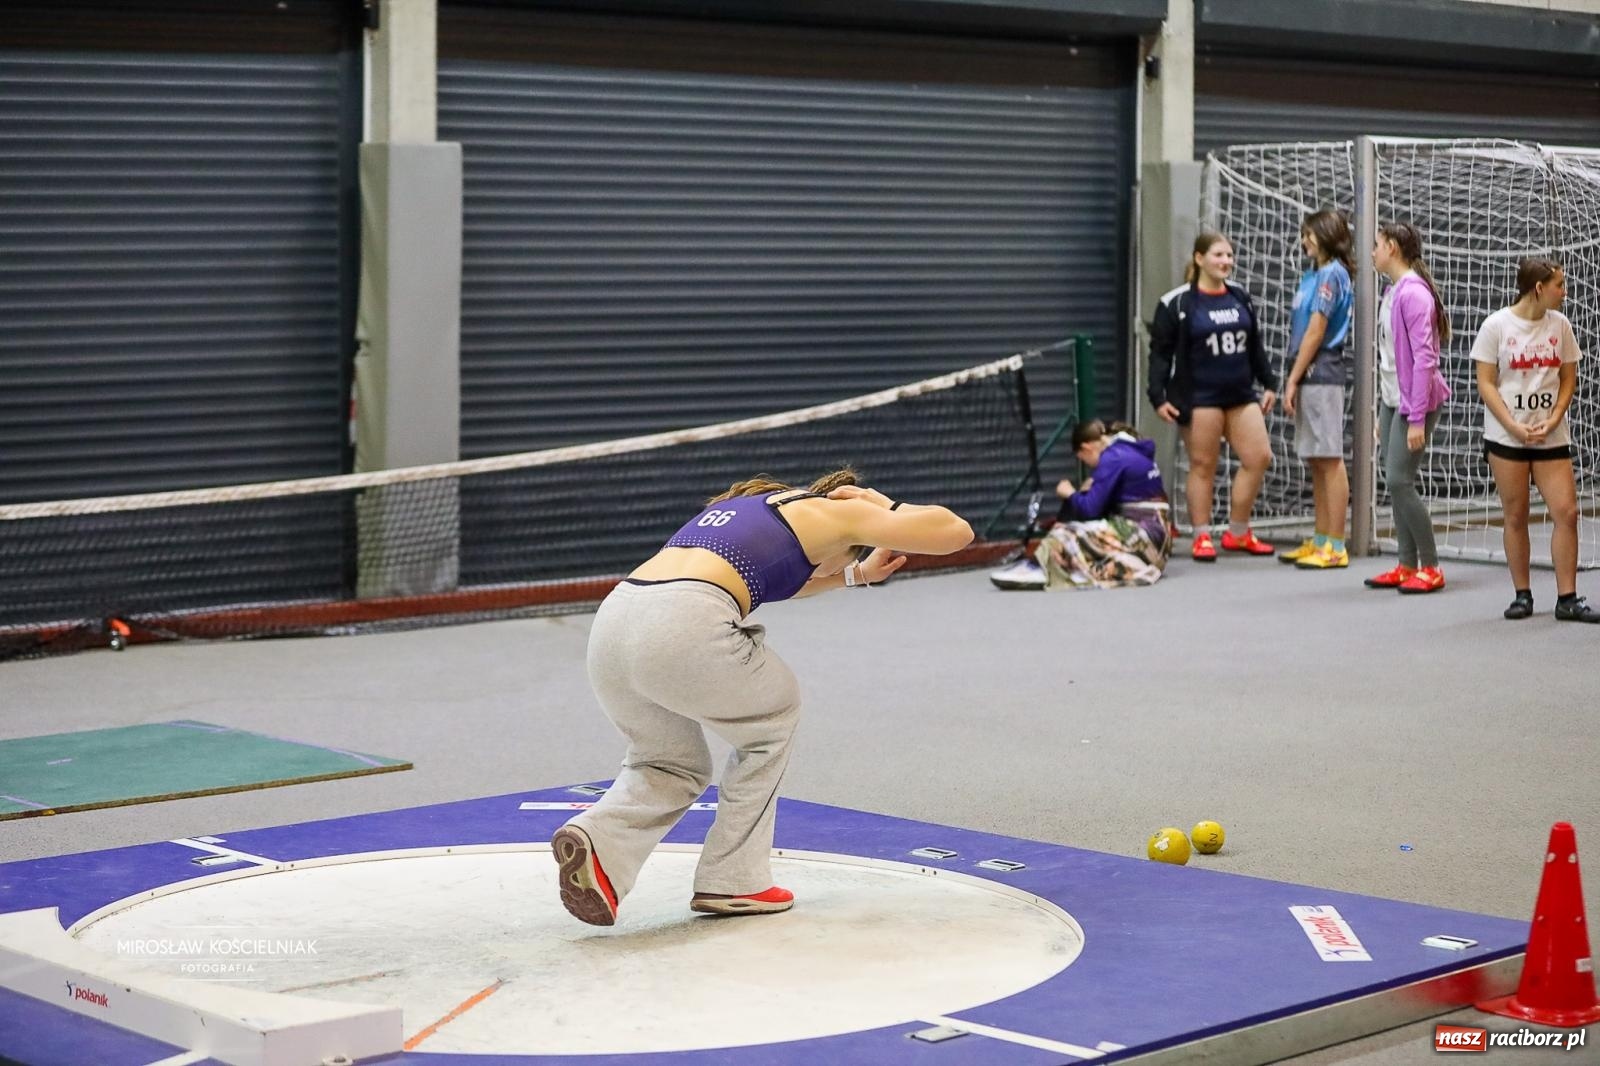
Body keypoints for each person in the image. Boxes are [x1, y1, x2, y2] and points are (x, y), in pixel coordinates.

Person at [552, 470, 974, 925]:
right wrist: (881, 507)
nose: (824, 572)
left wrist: (854, 575)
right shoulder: (840, 513)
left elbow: (781, 580)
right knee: (774, 718)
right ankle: (734, 880)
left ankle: (598, 840)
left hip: (614, 624)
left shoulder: (750, 509)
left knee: (667, 761)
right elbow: (955, 532)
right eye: (834, 564)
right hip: (682, 621)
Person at [1470, 257, 1599, 622]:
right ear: (1538, 288)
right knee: (1516, 514)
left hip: (1550, 436)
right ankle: (1522, 594)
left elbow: (1568, 377)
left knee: (1567, 512)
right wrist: (1511, 424)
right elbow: (1486, 382)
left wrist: (1555, 417)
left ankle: (1568, 597)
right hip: (1507, 437)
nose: (1565, 292)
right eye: (1559, 285)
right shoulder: (1496, 326)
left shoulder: (1561, 326)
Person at [1148, 231, 1278, 562]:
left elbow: (1255, 345)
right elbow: (1160, 354)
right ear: (1199, 258)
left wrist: (1269, 382)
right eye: (1219, 255)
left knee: (1258, 456)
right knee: (1203, 465)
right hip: (1199, 396)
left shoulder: (1239, 296)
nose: (1226, 262)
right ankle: (1202, 534)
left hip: (1239, 393)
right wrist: (1158, 396)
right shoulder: (1176, 302)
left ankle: (1238, 531)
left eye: (1230, 256)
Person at [1366, 221, 1451, 594]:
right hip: (1393, 400)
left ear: (1393, 249)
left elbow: (1424, 361)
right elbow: (1389, 358)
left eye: (1377, 245)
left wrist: (1416, 418)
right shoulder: (1392, 291)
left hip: (1414, 404)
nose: (1372, 251)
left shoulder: (1414, 295)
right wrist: (1383, 411)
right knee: (1395, 482)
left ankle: (1431, 566)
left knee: (1401, 480)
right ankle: (1406, 563)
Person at [991, 419, 1171, 590]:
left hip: (1141, 535)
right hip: (1157, 537)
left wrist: (1070, 493)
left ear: (1086, 448)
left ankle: (1046, 565)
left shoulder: (1112, 459)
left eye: (1082, 458)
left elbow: (1090, 509)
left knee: (1067, 532)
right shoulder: (1129, 450)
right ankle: (1071, 563)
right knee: (1087, 519)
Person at [1280, 209, 1356, 570]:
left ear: (1325, 235)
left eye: (1309, 234)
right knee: (1315, 458)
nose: (1304, 240)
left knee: (1329, 457)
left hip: (1322, 369)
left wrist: (1293, 377)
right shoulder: (1313, 274)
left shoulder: (1331, 276)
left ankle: (1336, 544)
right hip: (1308, 369)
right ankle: (1322, 536)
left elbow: (1316, 330)